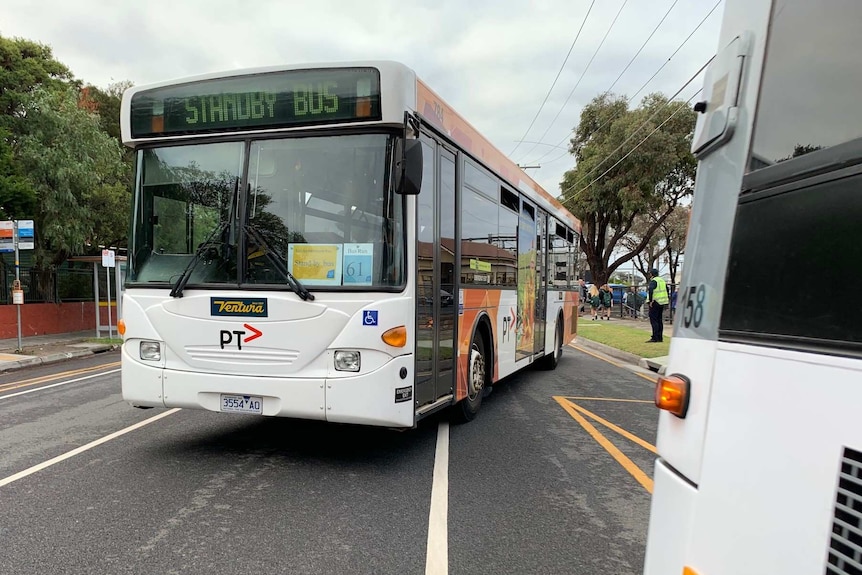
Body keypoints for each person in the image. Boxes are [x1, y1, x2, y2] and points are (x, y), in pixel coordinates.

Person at [646, 268, 669, 342]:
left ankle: (655, 337)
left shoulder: (654, 281)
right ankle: (660, 337)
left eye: (650, 274)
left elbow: (651, 290)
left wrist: (650, 301)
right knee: (659, 320)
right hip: (662, 302)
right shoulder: (662, 281)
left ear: (652, 274)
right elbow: (667, 290)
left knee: (654, 320)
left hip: (655, 302)